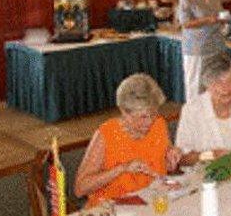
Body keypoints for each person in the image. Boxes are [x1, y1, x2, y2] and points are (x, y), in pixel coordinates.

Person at [74, 74, 182, 207]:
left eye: (153, 114)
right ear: (124, 112)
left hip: (149, 204)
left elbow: (165, 168)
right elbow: (80, 188)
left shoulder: (159, 124)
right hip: (111, 210)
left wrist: (171, 158)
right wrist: (122, 168)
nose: (149, 122)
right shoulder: (106, 134)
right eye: (142, 117)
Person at [178, 0, 228, 101]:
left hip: (216, 46)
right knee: (195, 87)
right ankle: (193, 119)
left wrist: (223, 20)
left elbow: (219, 14)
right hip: (197, 49)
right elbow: (185, 23)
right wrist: (207, 20)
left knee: (213, 85)